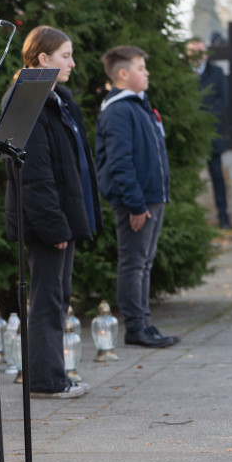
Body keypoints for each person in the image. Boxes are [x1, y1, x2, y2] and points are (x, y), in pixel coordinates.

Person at [3, 26, 99, 399]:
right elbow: (35, 175)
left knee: (57, 295)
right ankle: (45, 380)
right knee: (47, 298)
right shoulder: (29, 98)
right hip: (46, 222)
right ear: (42, 58)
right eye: (65, 56)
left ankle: (53, 374)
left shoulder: (56, 97)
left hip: (60, 219)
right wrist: (54, 225)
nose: (72, 63)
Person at [95, 45, 179, 348]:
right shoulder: (119, 110)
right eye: (141, 68)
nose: (147, 73)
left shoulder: (138, 105)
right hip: (137, 201)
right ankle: (135, 327)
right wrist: (135, 204)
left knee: (144, 262)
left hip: (151, 197)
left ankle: (143, 323)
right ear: (123, 74)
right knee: (134, 262)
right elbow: (120, 163)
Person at [187, 37, 231, 229]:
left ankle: (223, 217)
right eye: (192, 51)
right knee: (190, 177)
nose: (197, 55)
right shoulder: (182, 74)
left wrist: (204, 119)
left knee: (216, 175)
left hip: (212, 131)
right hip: (189, 133)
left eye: (200, 51)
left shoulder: (217, 72)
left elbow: (223, 100)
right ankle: (191, 219)